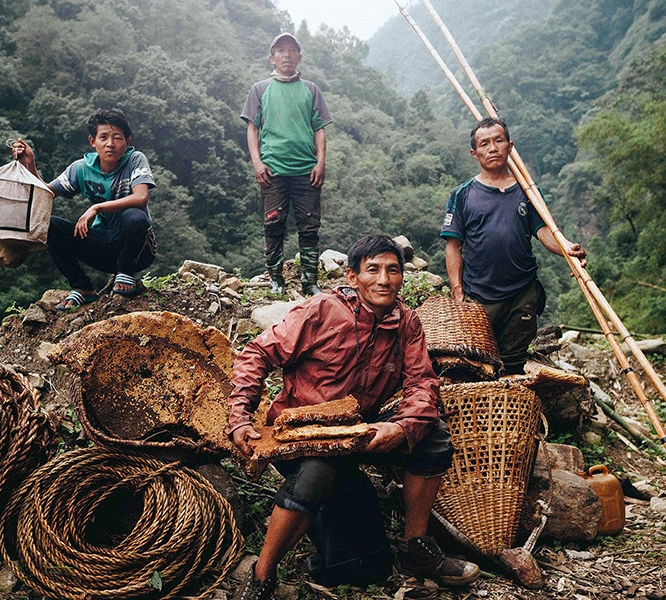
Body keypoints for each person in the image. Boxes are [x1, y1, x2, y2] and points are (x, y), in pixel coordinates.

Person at [228, 235, 481, 600]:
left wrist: (400, 425)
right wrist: (240, 417)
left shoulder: (406, 323)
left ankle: (415, 549)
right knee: (319, 479)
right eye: (373, 270)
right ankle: (261, 575)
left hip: (358, 431)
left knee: (434, 437)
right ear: (352, 277)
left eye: (393, 270)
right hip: (303, 436)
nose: (384, 279)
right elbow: (256, 354)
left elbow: (423, 384)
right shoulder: (321, 311)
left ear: (402, 278)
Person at [440, 117, 587, 375]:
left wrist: (567, 249)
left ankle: (511, 409)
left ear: (510, 145)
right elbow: (453, 245)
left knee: (513, 363)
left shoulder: (528, 191)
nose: (493, 148)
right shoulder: (462, 194)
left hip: (522, 291)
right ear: (474, 154)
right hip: (480, 293)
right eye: (484, 144)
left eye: (498, 140)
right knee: (476, 363)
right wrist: (457, 290)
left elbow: (544, 231)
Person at [12, 108, 157, 311]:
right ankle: (82, 287)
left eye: (117, 138)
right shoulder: (81, 168)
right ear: (92, 141)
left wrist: (96, 207)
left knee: (135, 216)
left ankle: (125, 271)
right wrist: (29, 162)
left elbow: (141, 198)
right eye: (104, 137)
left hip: (136, 249)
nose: (110, 144)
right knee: (51, 225)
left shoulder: (135, 160)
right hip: (100, 247)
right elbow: (45, 194)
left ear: (128, 141)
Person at [241, 33, 332, 296]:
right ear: (272, 57)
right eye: (281, 50)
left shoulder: (311, 89)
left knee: (309, 226)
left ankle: (310, 281)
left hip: (306, 170)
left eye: (292, 50)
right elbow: (252, 128)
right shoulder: (260, 89)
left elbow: (320, 128)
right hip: (273, 170)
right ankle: (275, 279)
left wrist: (321, 162)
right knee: (273, 223)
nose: (287, 55)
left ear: (299, 57)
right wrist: (257, 162)